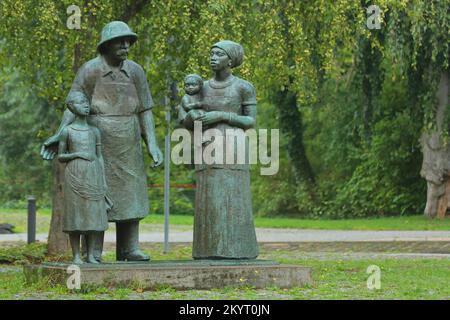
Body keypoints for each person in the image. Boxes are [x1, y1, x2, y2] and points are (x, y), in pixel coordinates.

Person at [41, 21, 163, 261]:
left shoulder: (136, 71)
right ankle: (92, 252)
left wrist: (152, 143)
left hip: (128, 138)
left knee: (131, 193)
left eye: (128, 42)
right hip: (98, 138)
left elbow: (146, 109)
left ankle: (129, 248)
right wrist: (60, 133)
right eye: (120, 41)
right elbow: (73, 103)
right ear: (106, 44)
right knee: (95, 194)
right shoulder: (90, 70)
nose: (126, 46)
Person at [180, 40, 259, 259]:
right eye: (211, 53)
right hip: (207, 146)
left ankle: (240, 249)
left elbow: (250, 121)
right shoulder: (200, 87)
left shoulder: (243, 87)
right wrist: (191, 116)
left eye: (218, 54)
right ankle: (208, 249)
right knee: (209, 198)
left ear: (231, 60)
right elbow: (185, 120)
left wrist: (222, 115)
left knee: (235, 196)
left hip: (234, 144)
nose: (212, 57)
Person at [58, 92, 110, 264]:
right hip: (74, 173)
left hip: (93, 173)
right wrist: (78, 154)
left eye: (86, 102)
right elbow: (61, 156)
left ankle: (90, 255)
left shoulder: (95, 131)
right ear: (72, 107)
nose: (86, 105)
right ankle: (76, 256)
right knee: (76, 215)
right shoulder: (67, 131)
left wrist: (102, 178)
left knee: (93, 215)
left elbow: (99, 156)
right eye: (81, 103)